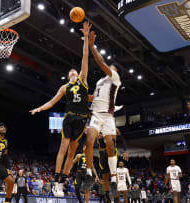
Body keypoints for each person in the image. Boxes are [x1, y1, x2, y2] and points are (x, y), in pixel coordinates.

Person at [29, 21, 92, 196]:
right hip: (70, 117)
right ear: (68, 76)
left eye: (75, 71)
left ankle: (62, 181)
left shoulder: (83, 80)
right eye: (70, 72)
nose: (73, 72)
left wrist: (86, 37)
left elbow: (85, 57)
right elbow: (52, 102)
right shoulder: (64, 88)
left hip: (82, 120)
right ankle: (56, 179)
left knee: (72, 152)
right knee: (63, 148)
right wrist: (39, 109)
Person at [83, 30, 122, 196]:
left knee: (110, 146)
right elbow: (95, 97)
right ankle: (89, 175)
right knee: (89, 140)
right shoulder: (100, 82)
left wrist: (91, 45)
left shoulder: (115, 77)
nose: (108, 67)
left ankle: (114, 179)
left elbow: (100, 61)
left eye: (110, 67)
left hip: (108, 116)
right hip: (96, 114)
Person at [97, 128, 128, 201]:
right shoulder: (98, 128)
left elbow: (122, 139)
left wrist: (125, 150)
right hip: (102, 152)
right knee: (105, 176)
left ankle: (115, 193)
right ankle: (107, 195)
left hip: (112, 151)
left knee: (113, 172)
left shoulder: (115, 129)